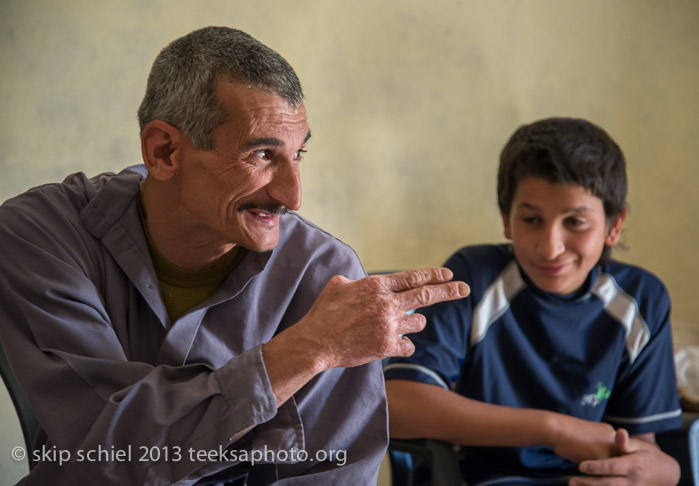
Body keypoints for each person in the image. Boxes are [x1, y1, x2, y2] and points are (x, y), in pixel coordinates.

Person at [0, 27, 469, 485]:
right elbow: (110, 452)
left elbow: (334, 471)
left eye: (297, 155)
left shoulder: (327, 275)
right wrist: (306, 350)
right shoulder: (41, 235)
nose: (292, 196)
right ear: (164, 151)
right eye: (263, 154)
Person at [385, 117, 682, 485]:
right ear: (506, 221)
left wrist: (661, 471)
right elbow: (398, 403)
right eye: (531, 219)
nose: (550, 247)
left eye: (575, 222)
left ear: (614, 225)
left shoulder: (643, 299)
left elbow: (640, 446)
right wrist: (554, 429)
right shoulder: (473, 277)